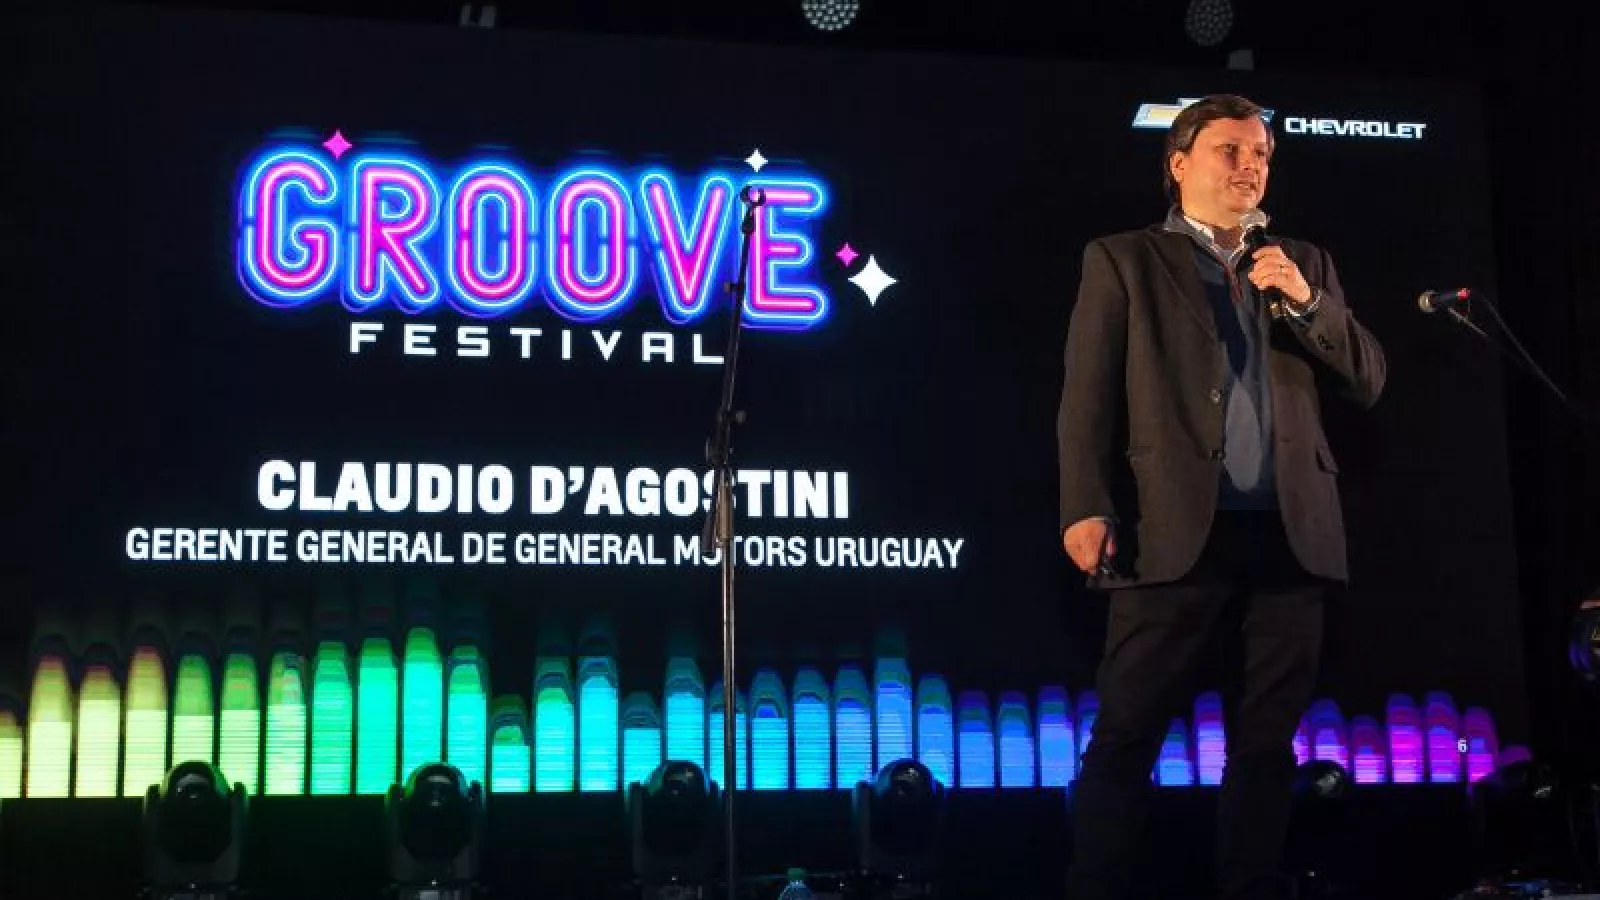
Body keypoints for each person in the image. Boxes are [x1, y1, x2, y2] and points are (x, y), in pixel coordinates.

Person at [1056, 94, 1386, 900]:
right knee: (1128, 732)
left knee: (1266, 743)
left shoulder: (1302, 261)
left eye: (1262, 154)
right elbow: (1087, 395)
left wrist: (1306, 302)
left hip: (1290, 532)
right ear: (1179, 164)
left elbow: (1368, 380)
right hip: (1169, 527)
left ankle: (1251, 885)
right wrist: (1086, 503)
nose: (1250, 166)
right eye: (1230, 151)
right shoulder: (1125, 258)